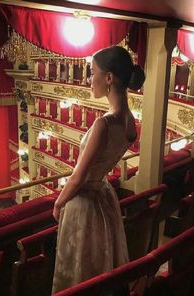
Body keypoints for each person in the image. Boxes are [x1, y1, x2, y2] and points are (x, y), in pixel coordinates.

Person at [51, 46, 145, 294]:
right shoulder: (130, 121)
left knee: (80, 272)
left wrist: (59, 203)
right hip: (104, 198)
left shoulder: (104, 123)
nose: (90, 79)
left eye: (93, 72)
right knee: (102, 269)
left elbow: (78, 176)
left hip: (84, 202)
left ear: (109, 78)